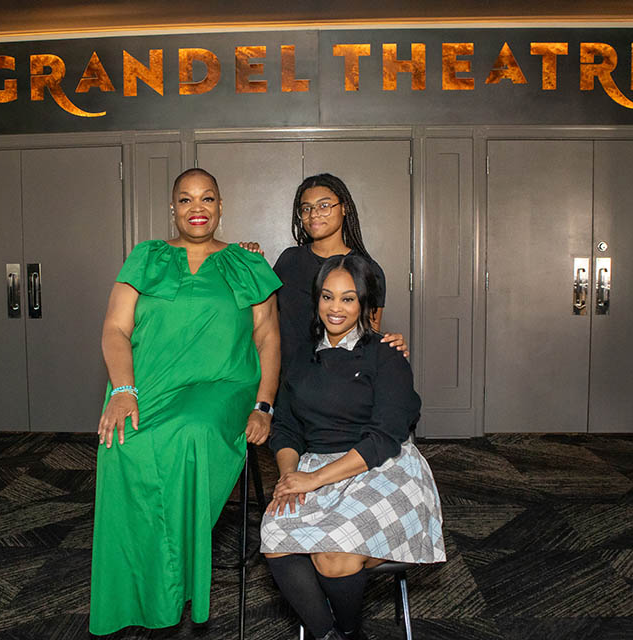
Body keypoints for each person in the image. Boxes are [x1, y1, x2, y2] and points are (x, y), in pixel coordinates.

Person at [89, 168, 282, 635]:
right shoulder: (146, 257)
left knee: (190, 432)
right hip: (147, 383)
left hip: (223, 383)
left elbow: (269, 340)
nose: (197, 208)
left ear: (221, 207)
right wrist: (122, 391)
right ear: (172, 209)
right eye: (185, 200)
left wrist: (263, 404)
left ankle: (175, 581)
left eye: (207, 198)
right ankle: (140, 587)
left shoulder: (247, 264)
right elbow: (115, 329)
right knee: (120, 443)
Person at [260, 255, 445, 640]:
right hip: (314, 468)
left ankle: (347, 630)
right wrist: (290, 474)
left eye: (348, 299)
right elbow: (288, 429)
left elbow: (384, 437)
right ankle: (334, 636)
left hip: (382, 467)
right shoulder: (301, 359)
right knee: (275, 534)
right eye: (327, 297)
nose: (335, 308)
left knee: (335, 556)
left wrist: (312, 480)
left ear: (363, 303)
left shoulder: (387, 354)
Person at [241, 173, 403, 371]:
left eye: (324, 205)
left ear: (344, 208)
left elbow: (369, 337)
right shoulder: (289, 260)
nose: (314, 214)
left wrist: (391, 347)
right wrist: (249, 262)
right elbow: (265, 318)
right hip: (286, 380)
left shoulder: (367, 269)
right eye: (306, 208)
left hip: (338, 383)